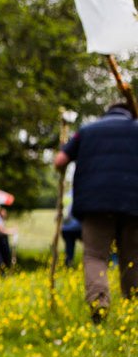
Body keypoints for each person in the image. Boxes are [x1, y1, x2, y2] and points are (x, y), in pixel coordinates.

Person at [54, 103, 138, 323]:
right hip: (133, 203)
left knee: (95, 256)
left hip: (95, 204)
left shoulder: (87, 131)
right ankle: (133, 306)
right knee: (132, 258)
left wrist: (64, 149)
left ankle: (99, 302)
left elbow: (60, 161)